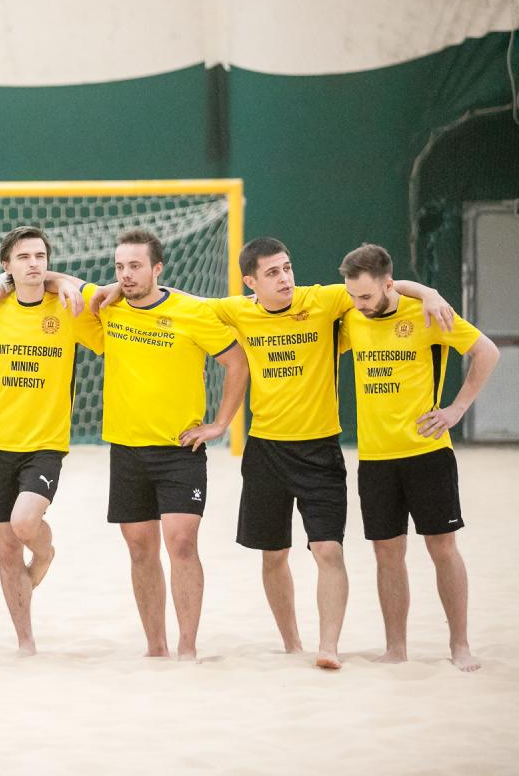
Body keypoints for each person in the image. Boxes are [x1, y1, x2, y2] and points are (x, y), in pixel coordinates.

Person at [93, 235, 452, 669]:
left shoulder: (323, 301)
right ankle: (291, 644)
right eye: (272, 272)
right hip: (264, 450)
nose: (284, 278)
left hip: (320, 448)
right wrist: (118, 286)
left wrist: (428, 292)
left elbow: (380, 284)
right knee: (273, 554)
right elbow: (178, 301)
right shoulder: (235, 310)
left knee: (327, 550)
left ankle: (328, 647)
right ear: (251, 283)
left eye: (287, 268)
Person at [75, 229, 248, 661]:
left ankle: (187, 646)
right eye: (119, 267)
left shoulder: (192, 311)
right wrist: (109, 287)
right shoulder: (109, 309)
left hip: (179, 450)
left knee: (182, 543)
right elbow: (59, 281)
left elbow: (237, 362)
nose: (126, 274)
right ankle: (156, 646)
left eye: (135, 266)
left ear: (157, 268)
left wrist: (220, 424)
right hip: (127, 450)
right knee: (140, 549)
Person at [339, 243, 498, 672]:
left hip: (427, 454)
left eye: (366, 295)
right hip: (375, 458)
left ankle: (460, 646)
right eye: (352, 295)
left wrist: (456, 410)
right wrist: (422, 287)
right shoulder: (353, 317)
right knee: (386, 554)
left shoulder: (428, 314)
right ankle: (396, 648)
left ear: (388, 284)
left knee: (442, 548)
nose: (358, 303)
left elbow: (487, 352)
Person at [0, 225, 99, 656]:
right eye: (23, 257)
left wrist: (62, 281)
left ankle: (45, 554)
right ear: (6, 266)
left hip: (45, 441)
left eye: (40, 256)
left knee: (25, 524)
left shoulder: (68, 307)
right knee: (7, 549)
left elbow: (108, 320)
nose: (33, 264)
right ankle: (25, 641)